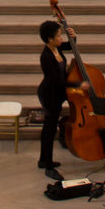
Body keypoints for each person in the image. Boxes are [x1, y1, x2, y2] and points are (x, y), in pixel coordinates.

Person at [37, 18, 77, 179]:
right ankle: (48, 166)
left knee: (49, 128)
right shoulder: (46, 56)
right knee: (50, 129)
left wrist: (73, 37)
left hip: (56, 92)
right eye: (59, 36)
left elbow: (71, 46)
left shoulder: (56, 49)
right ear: (50, 39)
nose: (62, 38)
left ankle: (43, 160)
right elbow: (58, 81)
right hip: (50, 94)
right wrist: (79, 85)